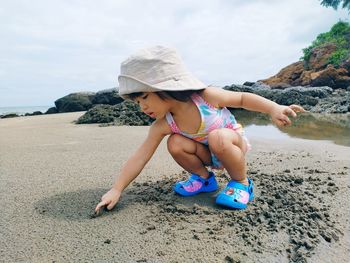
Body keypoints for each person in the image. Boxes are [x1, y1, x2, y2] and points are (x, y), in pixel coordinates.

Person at [95, 45, 304, 213]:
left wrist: (273, 108)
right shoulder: (163, 124)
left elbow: (241, 98)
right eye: (137, 102)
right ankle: (204, 180)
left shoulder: (206, 97)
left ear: (165, 87)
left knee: (218, 137)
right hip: (206, 154)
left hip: (231, 145)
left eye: (144, 97)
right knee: (175, 142)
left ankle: (241, 182)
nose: (142, 107)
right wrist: (117, 189)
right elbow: (140, 156)